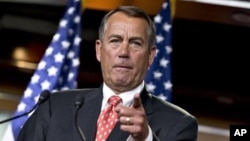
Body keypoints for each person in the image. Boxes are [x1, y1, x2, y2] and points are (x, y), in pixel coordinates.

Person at [17, 5, 198, 141]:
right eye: (115, 41)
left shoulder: (179, 124)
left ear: (151, 56)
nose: (123, 52)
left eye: (135, 43)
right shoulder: (54, 106)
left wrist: (146, 138)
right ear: (99, 50)